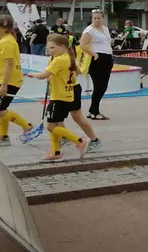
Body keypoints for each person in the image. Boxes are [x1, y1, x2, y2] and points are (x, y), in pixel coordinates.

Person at [27, 35, 90, 161]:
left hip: (58, 97)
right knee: (54, 123)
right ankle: (55, 152)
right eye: (49, 48)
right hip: (67, 95)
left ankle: (79, 141)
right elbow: (77, 72)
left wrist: (32, 74)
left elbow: (43, 75)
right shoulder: (69, 58)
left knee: (51, 127)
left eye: (52, 48)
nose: (50, 51)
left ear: (62, 47)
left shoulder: (59, 60)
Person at [0, 15, 34, 145]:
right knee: (2, 108)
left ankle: (26, 126)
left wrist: (4, 85)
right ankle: (3, 136)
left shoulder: (7, 42)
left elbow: (9, 64)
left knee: (1, 110)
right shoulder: (7, 39)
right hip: (7, 78)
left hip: (9, 80)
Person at [79, 10, 115, 120]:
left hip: (107, 57)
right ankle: (95, 111)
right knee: (99, 85)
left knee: (103, 85)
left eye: (99, 18)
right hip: (97, 58)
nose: (97, 20)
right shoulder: (90, 30)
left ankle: (92, 109)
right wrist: (93, 54)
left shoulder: (105, 29)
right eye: (95, 18)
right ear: (92, 19)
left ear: (102, 18)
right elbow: (82, 45)